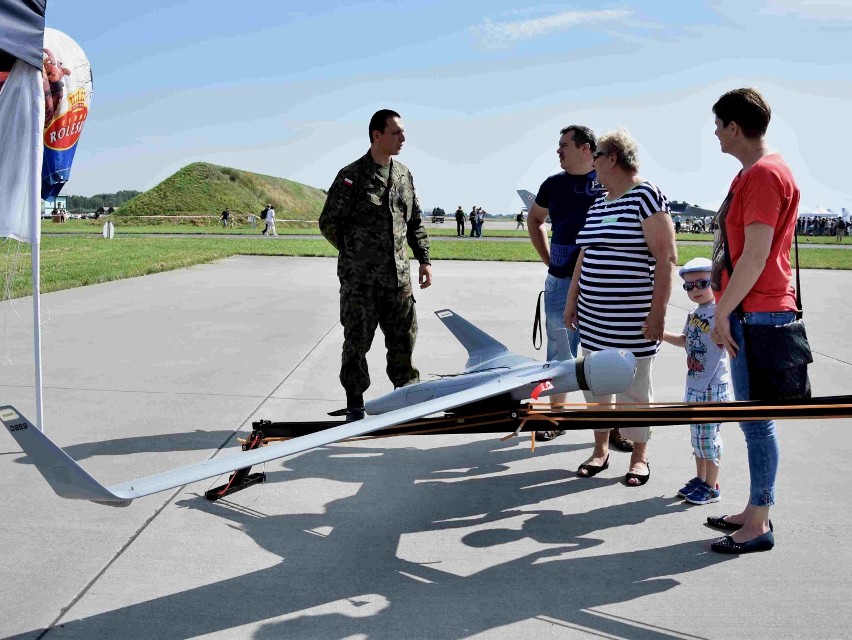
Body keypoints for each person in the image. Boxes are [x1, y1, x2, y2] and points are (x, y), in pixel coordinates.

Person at [706, 88, 800, 554]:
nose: (716, 135)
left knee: (756, 420)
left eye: (719, 126)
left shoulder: (763, 175)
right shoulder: (751, 173)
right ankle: (755, 508)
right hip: (751, 308)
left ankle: (759, 521)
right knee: (751, 419)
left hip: (757, 311)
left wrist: (722, 310)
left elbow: (757, 254)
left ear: (735, 127)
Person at [564, 128, 677, 486]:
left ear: (612, 158)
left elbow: (665, 257)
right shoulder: (599, 203)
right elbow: (584, 256)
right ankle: (600, 450)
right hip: (595, 320)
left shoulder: (646, 195)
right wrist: (572, 301)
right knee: (596, 387)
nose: (592, 164)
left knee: (634, 389)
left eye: (595, 157)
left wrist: (657, 314)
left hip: (633, 322)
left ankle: (639, 457)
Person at [318, 108, 432, 422]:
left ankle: (407, 396)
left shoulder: (403, 175)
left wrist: (424, 259)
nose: (403, 138)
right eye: (396, 133)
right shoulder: (351, 176)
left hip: (398, 280)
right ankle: (355, 404)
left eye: (403, 132)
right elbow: (329, 223)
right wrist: (355, 255)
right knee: (357, 343)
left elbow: (415, 222)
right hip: (361, 284)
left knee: (404, 342)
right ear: (376, 136)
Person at [526, 125, 633, 451]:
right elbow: (535, 220)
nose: (558, 151)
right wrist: (548, 260)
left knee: (606, 357)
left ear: (586, 148)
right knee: (560, 355)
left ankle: (613, 427)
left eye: (564, 145)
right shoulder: (552, 185)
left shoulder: (607, 183)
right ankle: (556, 419)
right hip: (560, 284)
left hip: (601, 286)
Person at [662, 257, 730, 504]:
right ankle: (701, 479)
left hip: (712, 386)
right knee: (698, 437)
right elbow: (685, 341)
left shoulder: (722, 311)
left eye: (701, 283)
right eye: (688, 286)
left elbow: (730, 342)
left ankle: (712, 486)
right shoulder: (694, 314)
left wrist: (723, 332)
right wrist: (661, 334)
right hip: (695, 383)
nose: (695, 290)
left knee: (709, 439)